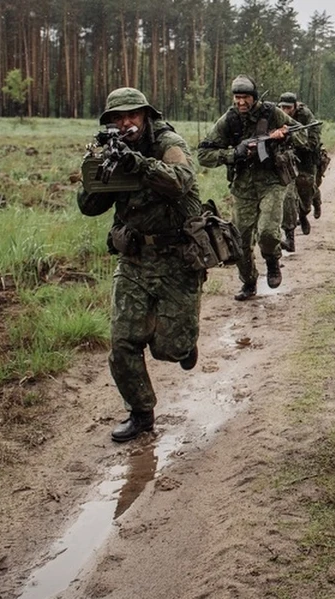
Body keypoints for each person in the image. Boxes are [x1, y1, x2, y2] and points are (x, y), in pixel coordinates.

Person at [77, 87, 204, 443]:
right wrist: (100, 169)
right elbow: (89, 208)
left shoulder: (167, 142)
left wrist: (140, 165)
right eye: (118, 117)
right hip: (134, 259)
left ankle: (184, 343)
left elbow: (181, 181)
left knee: (169, 348)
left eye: (133, 115)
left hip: (177, 259)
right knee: (123, 342)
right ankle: (141, 414)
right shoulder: (112, 149)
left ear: (146, 115)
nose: (126, 122)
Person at [197, 75, 305, 300]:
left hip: (271, 182)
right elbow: (204, 154)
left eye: (245, 97)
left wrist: (282, 136)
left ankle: (272, 260)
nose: (240, 102)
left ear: (254, 97)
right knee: (241, 240)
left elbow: (302, 134)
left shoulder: (271, 113)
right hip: (243, 186)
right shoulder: (229, 119)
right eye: (237, 97)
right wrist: (232, 154)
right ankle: (249, 281)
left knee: (267, 230)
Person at [277, 92, 324, 250]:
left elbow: (312, 141)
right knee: (289, 196)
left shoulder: (305, 116)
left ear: (295, 106)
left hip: (306, 156)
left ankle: (308, 209)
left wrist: (294, 138)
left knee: (306, 189)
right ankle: (290, 237)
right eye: (282, 107)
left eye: (288, 108)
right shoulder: (276, 115)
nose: (285, 111)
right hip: (287, 158)